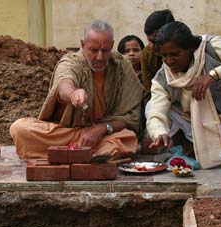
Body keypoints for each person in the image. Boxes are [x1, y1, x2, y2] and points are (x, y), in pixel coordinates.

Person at [10, 20, 143, 160]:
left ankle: (65, 154)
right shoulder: (72, 61)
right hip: (67, 133)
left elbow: (131, 117)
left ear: (112, 46)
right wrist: (73, 93)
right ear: (82, 45)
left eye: (105, 51)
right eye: (93, 50)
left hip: (104, 134)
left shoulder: (122, 65)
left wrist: (101, 129)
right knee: (20, 128)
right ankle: (88, 155)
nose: (99, 57)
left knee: (128, 138)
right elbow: (64, 83)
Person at [146, 21, 221, 168]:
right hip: (197, 131)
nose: (169, 61)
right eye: (164, 56)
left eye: (175, 54)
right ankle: (180, 151)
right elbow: (156, 110)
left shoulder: (211, 46)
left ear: (190, 48)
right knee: (151, 106)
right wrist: (159, 132)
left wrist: (214, 74)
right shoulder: (162, 77)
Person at [141, 9, 174, 104]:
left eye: (155, 41)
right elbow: (148, 89)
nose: (152, 46)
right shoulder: (147, 54)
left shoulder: (185, 49)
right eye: (149, 41)